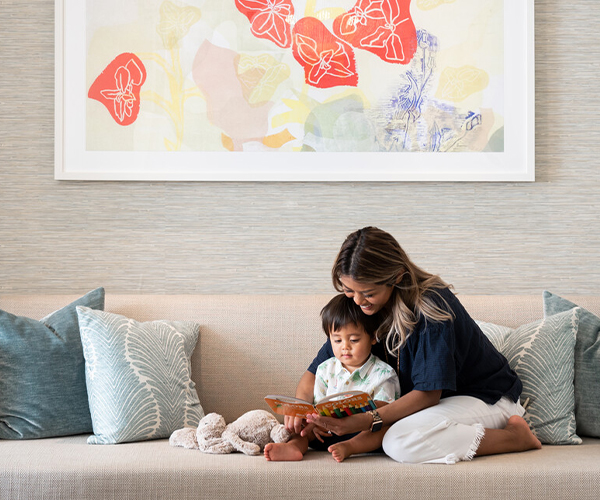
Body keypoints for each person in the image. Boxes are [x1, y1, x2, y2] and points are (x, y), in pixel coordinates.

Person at [290, 227, 542, 464]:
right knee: (391, 435)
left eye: (368, 292)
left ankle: (514, 437)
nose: (357, 300)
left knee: (398, 442)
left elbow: (428, 394)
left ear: (397, 276)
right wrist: (302, 409)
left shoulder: (432, 305)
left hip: (484, 398)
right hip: (432, 409)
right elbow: (314, 373)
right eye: (348, 290)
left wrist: (366, 420)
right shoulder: (359, 308)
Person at [264, 293, 400, 462]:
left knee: (384, 429)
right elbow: (317, 405)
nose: (345, 347)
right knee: (302, 430)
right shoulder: (324, 369)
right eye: (337, 340)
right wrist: (315, 422)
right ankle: (294, 446)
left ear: (373, 337)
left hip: (361, 431)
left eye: (354, 340)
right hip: (324, 433)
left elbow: (386, 407)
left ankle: (349, 447)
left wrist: (353, 415)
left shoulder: (384, 373)